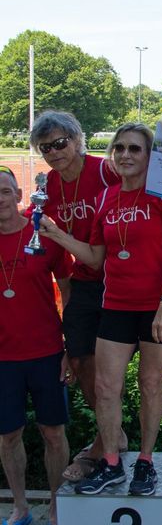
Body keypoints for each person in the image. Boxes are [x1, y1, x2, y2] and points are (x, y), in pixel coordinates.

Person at [39, 123, 162, 496]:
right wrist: (56, 233)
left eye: (134, 149)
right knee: (106, 387)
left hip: (158, 307)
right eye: (118, 148)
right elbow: (95, 257)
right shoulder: (106, 199)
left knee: (151, 384)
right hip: (116, 305)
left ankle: (146, 462)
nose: (125, 155)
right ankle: (111, 462)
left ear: (149, 155)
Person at [28, 109, 124, 483]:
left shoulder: (104, 171)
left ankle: (104, 443)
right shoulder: (47, 187)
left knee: (108, 372)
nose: (55, 152)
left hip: (118, 277)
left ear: (77, 139)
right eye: (46, 147)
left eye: (60, 143)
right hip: (84, 281)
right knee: (81, 364)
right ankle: (112, 434)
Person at [0, 166, 72, 525]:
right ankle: (21, 507)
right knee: (8, 435)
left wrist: (69, 346)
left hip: (46, 352)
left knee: (53, 433)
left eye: (5, 191)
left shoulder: (42, 231)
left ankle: (58, 507)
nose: (0, 198)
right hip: (3, 358)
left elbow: (68, 286)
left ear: (19, 195)